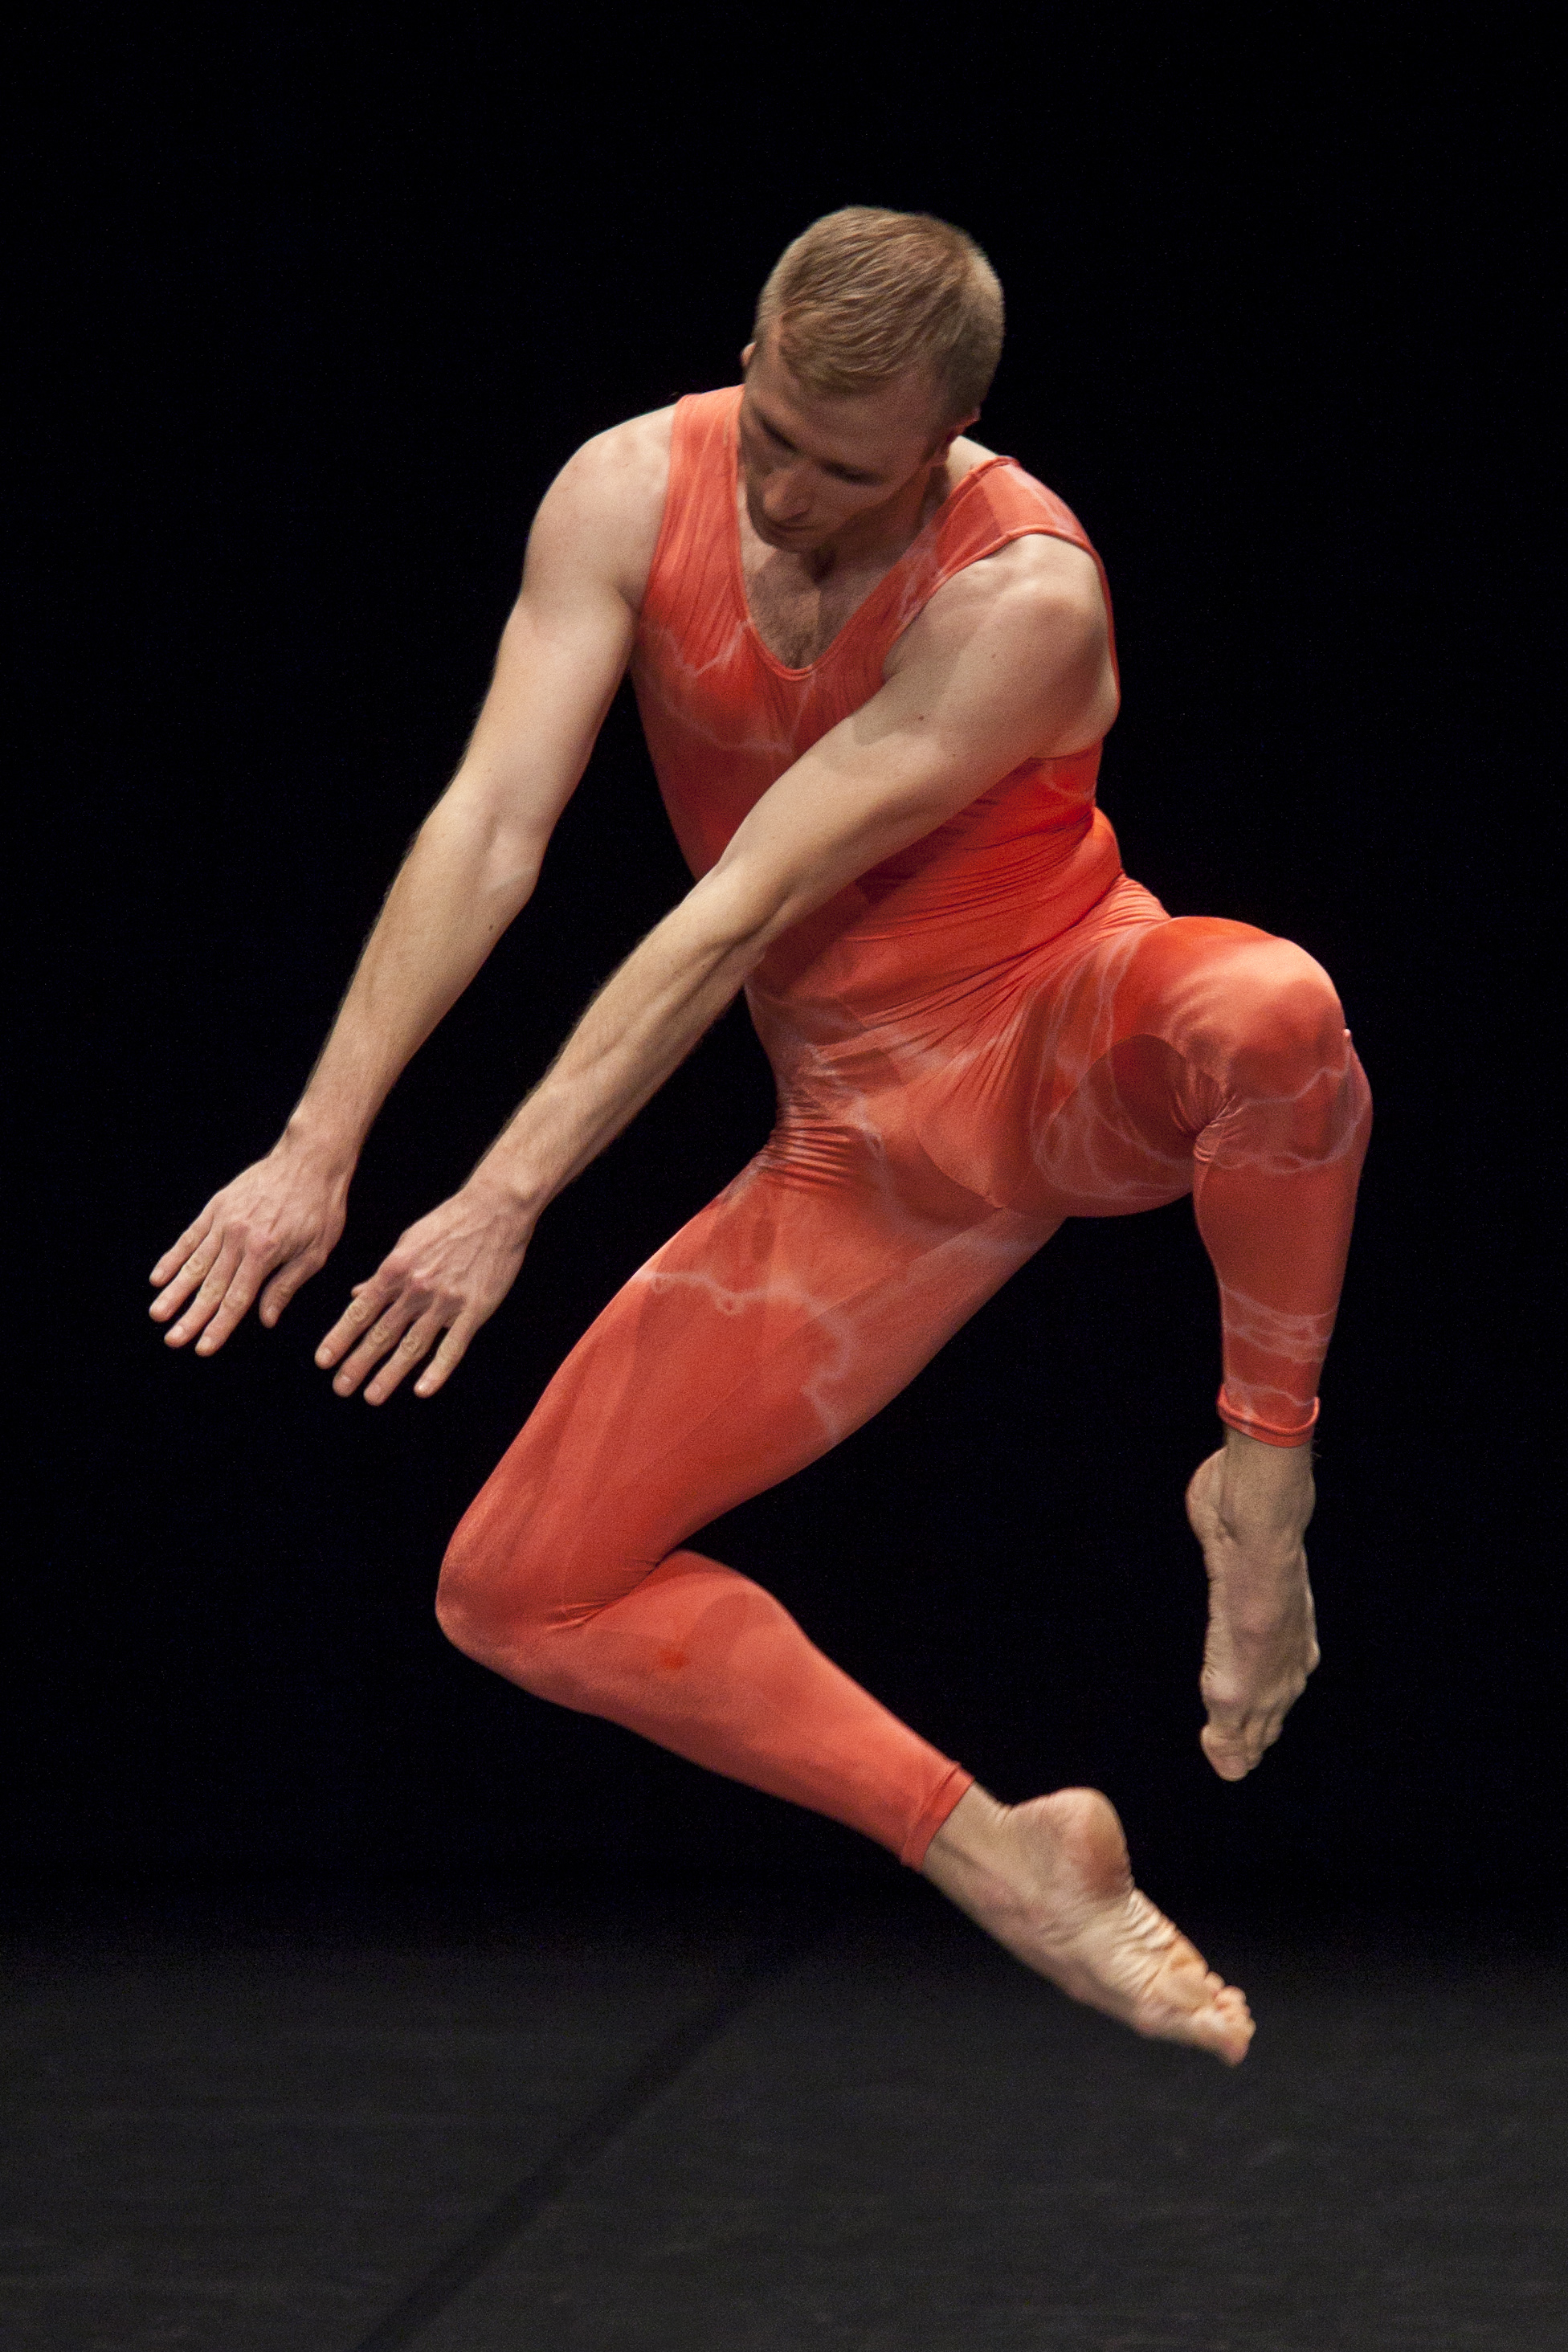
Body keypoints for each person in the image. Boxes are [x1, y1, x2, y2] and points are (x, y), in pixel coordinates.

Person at [151, 208, 1370, 2065]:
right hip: (863, 1152)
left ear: (954, 438)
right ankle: (1005, 1855)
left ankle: (1260, 1481)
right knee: (515, 1590)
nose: (787, 494)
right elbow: (492, 824)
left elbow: (727, 916)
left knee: (1271, 1008)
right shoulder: (627, 491)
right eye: (774, 428)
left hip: (1054, 1037)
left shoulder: (1019, 594)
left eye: (848, 470)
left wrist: (501, 1198)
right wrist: (320, 1145)